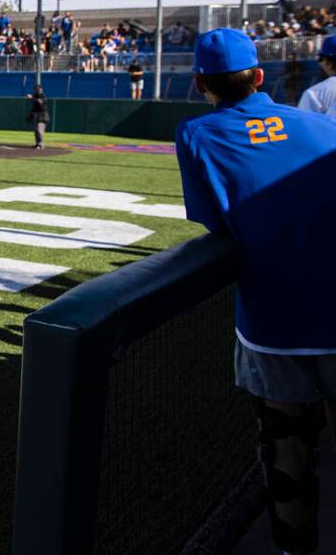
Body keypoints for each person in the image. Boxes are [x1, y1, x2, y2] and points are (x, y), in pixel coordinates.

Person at [175, 28, 336, 555]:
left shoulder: (197, 133)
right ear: (260, 76)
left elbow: (209, 220)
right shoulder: (321, 125)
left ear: (201, 83)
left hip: (274, 320)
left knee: (286, 446)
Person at [298, 35, 336, 119]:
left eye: (321, 59)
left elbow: (305, 129)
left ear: (329, 62)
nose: (319, 63)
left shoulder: (315, 93)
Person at [27, 85, 49, 149]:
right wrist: (30, 115)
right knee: (36, 130)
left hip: (43, 115)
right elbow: (35, 107)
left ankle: (41, 144)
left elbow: (40, 102)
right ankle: (38, 144)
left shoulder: (42, 96)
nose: (37, 90)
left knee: (39, 130)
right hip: (37, 115)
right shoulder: (36, 95)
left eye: (38, 89)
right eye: (36, 89)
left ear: (41, 89)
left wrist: (31, 98)